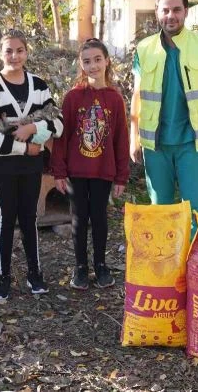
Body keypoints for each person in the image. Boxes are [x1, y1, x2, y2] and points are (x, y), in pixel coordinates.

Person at [0, 29, 64, 300]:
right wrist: (25, 146)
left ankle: (34, 273)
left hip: (31, 166)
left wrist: (33, 127)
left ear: (27, 52)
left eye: (19, 50)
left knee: (29, 217)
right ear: (0, 54)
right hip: (4, 166)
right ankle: (3, 277)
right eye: (8, 51)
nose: (14, 56)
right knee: (6, 218)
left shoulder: (38, 85)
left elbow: (58, 124)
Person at [130, 0, 198, 230]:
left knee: (197, 213)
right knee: (160, 212)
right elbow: (137, 96)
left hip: (194, 144)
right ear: (157, 13)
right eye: (165, 10)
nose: (170, 15)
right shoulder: (144, 49)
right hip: (156, 144)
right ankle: (167, 268)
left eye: (176, 10)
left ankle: (194, 269)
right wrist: (134, 138)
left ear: (186, 12)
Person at [51, 38, 129, 290]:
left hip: (103, 171)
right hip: (76, 171)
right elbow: (62, 138)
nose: (93, 65)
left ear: (107, 61)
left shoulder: (115, 99)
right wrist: (59, 171)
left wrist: (121, 176)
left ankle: (100, 265)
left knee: (99, 218)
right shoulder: (73, 98)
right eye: (87, 61)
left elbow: (120, 139)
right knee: (79, 218)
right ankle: (80, 267)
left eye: (97, 60)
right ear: (81, 65)